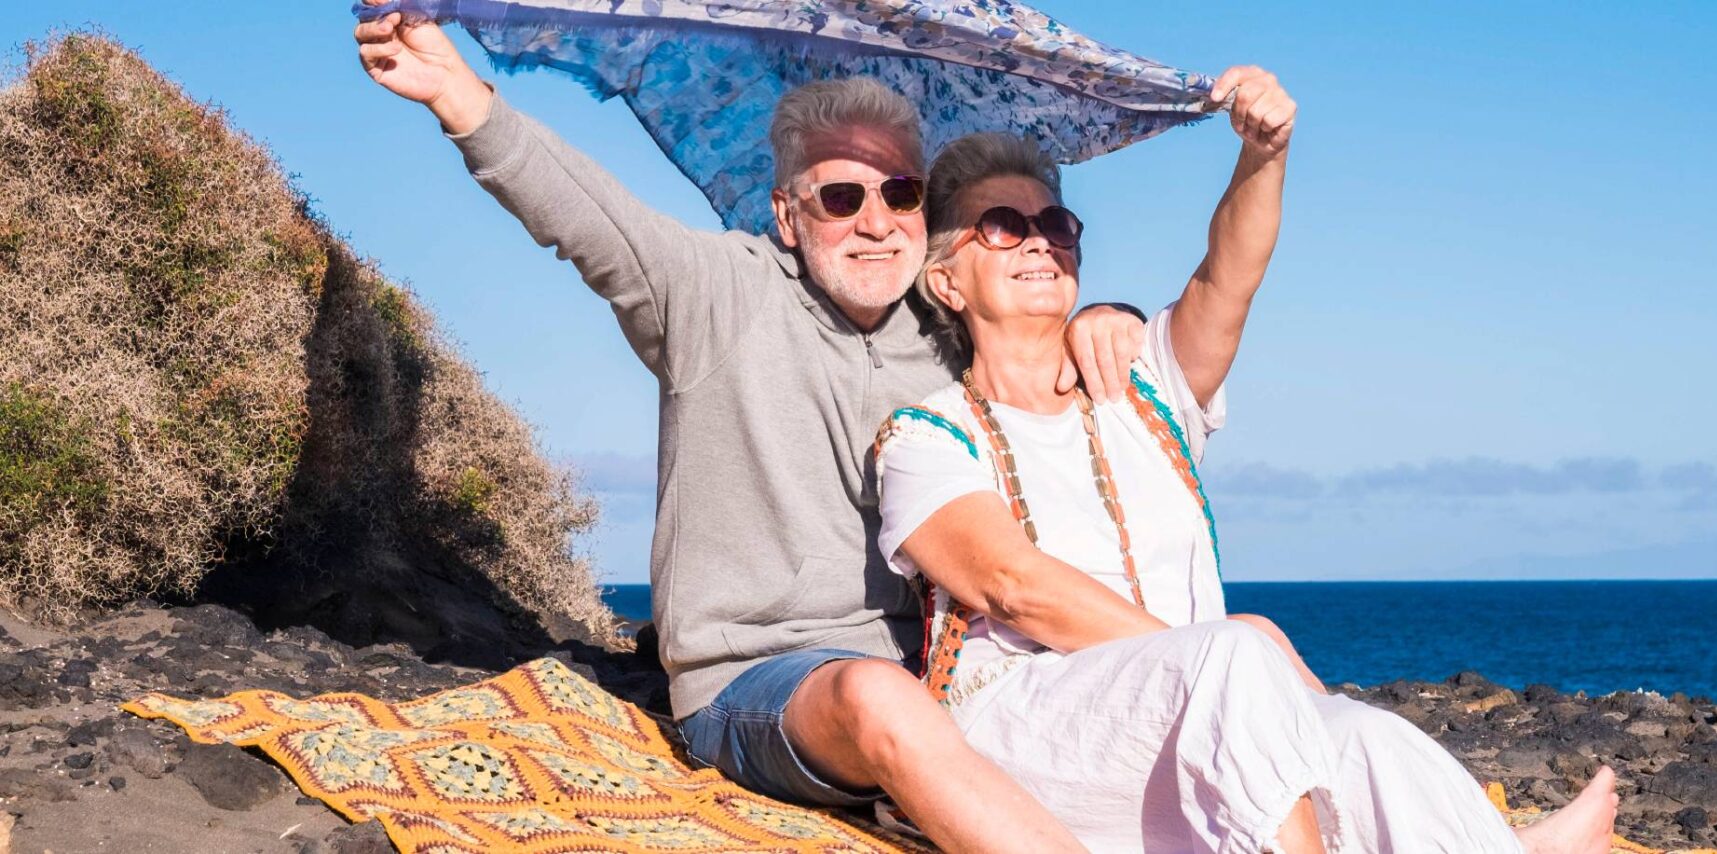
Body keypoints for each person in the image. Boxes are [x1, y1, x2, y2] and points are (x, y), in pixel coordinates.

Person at [352, 5, 1151, 850]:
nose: (875, 222)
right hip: (764, 681)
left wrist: (1109, 315)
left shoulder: (948, 325)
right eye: (841, 198)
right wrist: (457, 94)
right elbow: (585, 215)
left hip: (948, 671)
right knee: (882, 701)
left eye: (901, 193)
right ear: (786, 215)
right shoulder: (716, 296)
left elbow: (1035, 309)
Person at [875, 67, 1623, 852]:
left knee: (1366, 737)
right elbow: (1012, 585)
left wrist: (1264, 155)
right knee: (1240, 649)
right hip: (1031, 729)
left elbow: (1229, 276)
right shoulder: (928, 436)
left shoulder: (1148, 387)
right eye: (1000, 224)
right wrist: (1207, 654)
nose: (1038, 239)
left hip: (1206, 705)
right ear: (945, 282)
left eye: (1056, 223)